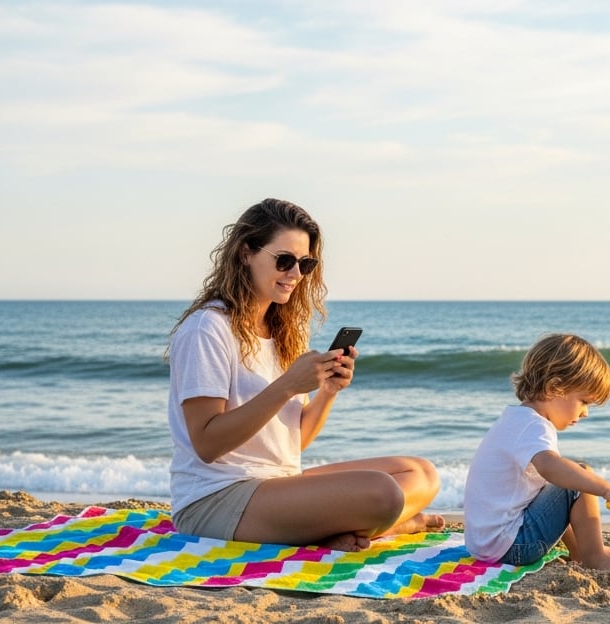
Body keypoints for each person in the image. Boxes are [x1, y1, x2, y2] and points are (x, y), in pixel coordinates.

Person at [167, 197, 441, 551]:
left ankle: (337, 531)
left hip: (276, 484)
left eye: (305, 263)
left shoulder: (282, 331)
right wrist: (286, 386)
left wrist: (327, 391)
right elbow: (206, 444)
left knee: (421, 474)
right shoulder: (208, 329)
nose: (295, 274)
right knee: (383, 494)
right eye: (284, 260)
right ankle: (382, 528)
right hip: (216, 499)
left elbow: (290, 444)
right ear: (245, 253)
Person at [463, 333, 610, 571]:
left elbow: (549, 484)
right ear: (555, 388)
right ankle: (595, 557)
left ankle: (582, 549)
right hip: (513, 546)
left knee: (561, 482)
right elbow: (551, 467)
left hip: (485, 544)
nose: (585, 413)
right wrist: (607, 489)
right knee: (578, 476)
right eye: (584, 401)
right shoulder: (534, 426)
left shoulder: (515, 419)